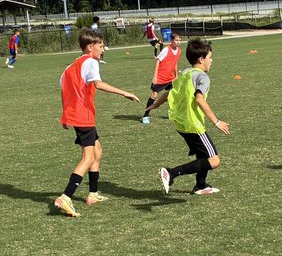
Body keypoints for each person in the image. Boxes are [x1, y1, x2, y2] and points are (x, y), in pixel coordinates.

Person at [53, 30, 139, 217]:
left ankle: (92, 194)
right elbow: (98, 84)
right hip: (83, 117)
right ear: (90, 47)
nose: (102, 50)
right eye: (100, 46)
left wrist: (65, 114)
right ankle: (65, 197)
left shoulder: (70, 66)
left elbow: (63, 89)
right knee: (88, 157)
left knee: (97, 151)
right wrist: (125, 92)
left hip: (78, 116)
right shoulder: (91, 62)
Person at [148, 38, 230, 195]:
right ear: (201, 59)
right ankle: (171, 173)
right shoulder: (202, 77)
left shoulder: (185, 73)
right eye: (210, 57)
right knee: (214, 160)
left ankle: (200, 185)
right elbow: (199, 99)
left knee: (202, 155)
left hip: (181, 123)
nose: (211, 61)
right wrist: (217, 121)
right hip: (193, 124)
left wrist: (155, 104)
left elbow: (169, 93)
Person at [142, 31, 182, 124]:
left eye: (180, 40)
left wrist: (176, 75)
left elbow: (175, 63)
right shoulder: (166, 50)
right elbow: (158, 61)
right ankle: (145, 115)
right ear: (171, 40)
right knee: (154, 95)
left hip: (171, 78)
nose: (178, 42)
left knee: (173, 95)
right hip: (161, 77)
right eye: (176, 40)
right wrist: (155, 76)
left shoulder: (179, 51)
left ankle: (173, 113)